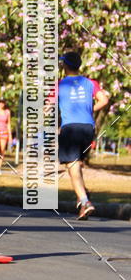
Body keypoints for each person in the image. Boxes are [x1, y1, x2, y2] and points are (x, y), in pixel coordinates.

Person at [58, 50, 110, 219]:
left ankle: (85, 200)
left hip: (70, 127)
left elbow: (47, 107)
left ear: (64, 65)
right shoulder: (90, 82)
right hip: (88, 127)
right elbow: (104, 100)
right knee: (77, 163)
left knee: (72, 165)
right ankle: (83, 199)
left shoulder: (59, 84)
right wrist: (89, 110)